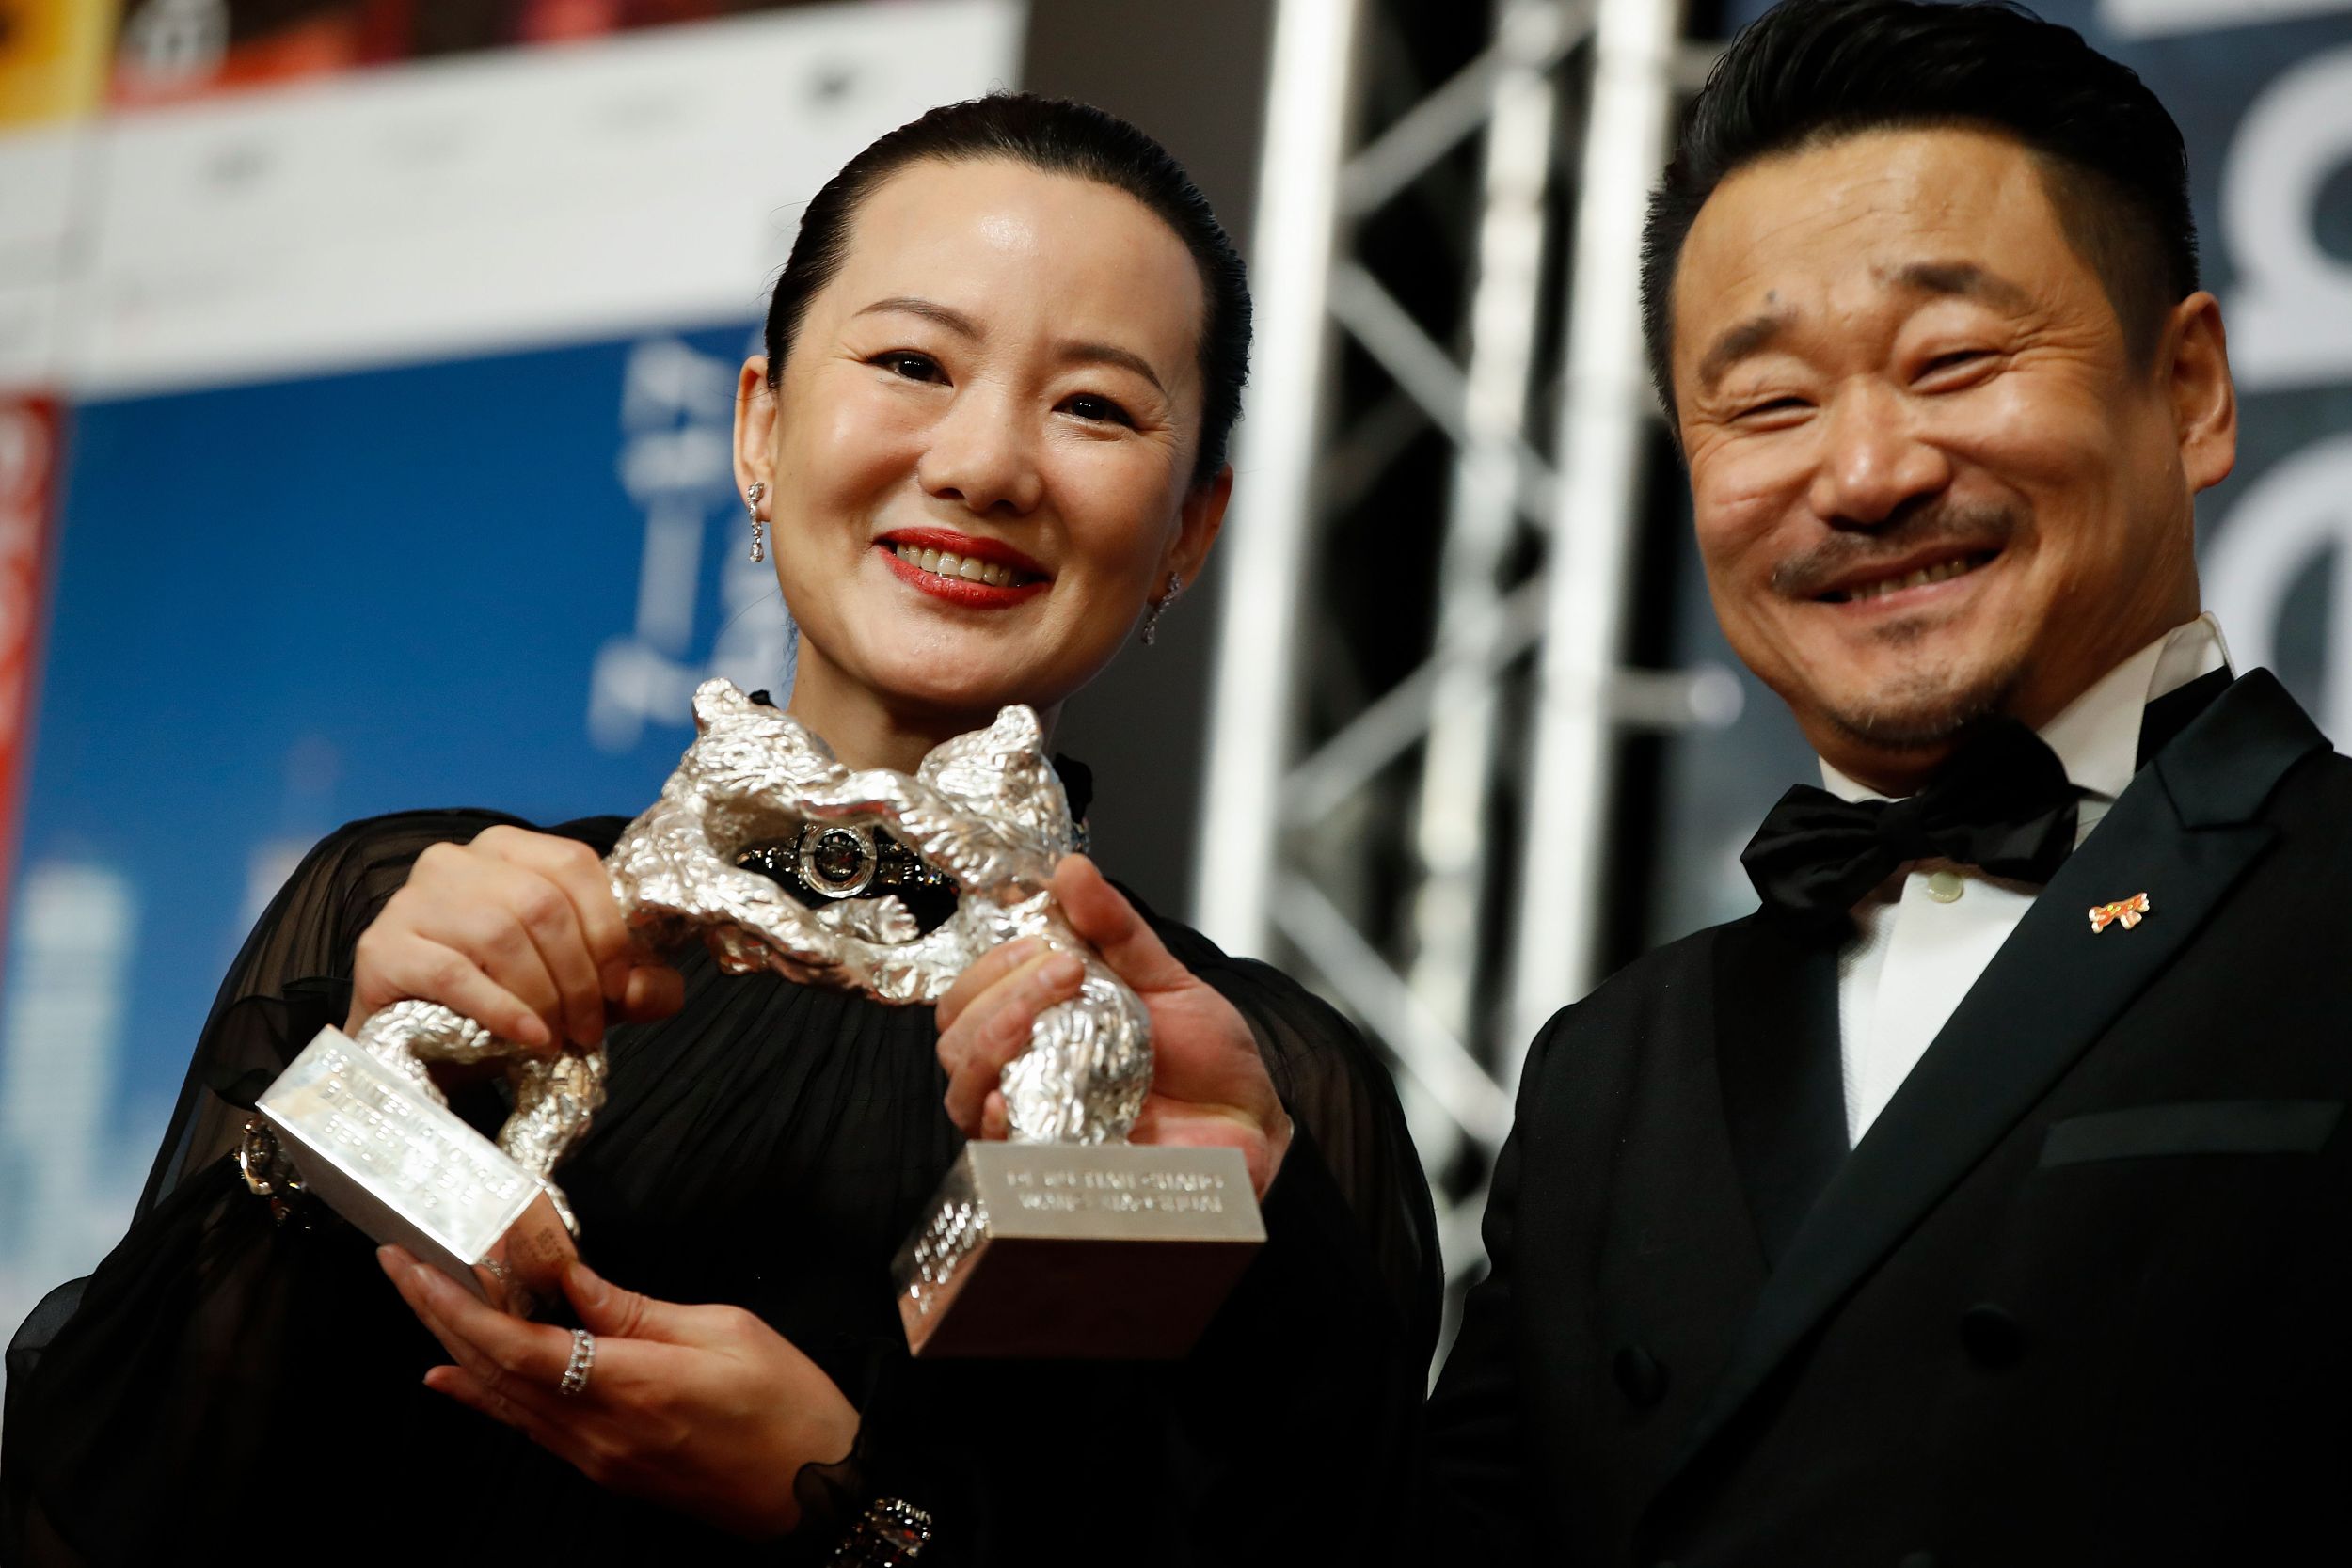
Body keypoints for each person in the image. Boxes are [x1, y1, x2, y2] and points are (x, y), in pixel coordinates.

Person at [948, 2, 2352, 1563]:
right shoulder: (1615, 1072)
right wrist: (1265, 1230)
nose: (1865, 472)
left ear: (2191, 390)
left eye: (1951, 361)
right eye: (1768, 403)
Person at [0, 94, 1438, 1567]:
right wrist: (348, 1119)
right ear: (761, 426)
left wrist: (844, 1517)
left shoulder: (1253, 1093)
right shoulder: (411, 913)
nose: (985, 464)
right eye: (911, 363)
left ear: (1190, 527)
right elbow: (109, 1517)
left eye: (1095, 407)